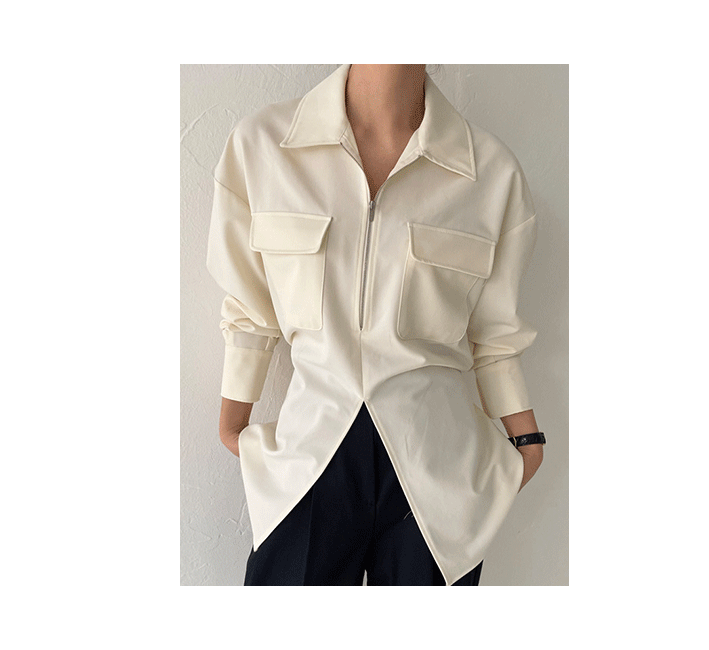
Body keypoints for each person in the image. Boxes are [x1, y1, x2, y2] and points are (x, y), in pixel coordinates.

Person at [206, 64, 545, 586]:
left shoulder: (491, 173)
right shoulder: (263, 147)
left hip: (436, 479)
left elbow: (496, 335)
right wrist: (233, 421)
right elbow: (250, 307)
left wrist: (528, 443)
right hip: (307, 465)